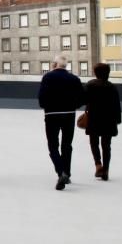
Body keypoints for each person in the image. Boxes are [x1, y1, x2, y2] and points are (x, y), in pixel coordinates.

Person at [38, 55, 85, 190]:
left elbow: (41, 97)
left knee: (53, 145)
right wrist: (73, 106)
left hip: (51, 115)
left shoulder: (48, 77)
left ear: (54, 65)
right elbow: (82, 98)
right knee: (67, 145)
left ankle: (61, 172)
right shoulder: (74, 79)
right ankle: (67, 173)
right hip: (69, 115)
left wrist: (47, 106)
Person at [84, 63, 122, 181]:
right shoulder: (112, 87)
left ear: (96, 73)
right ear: (108, 73)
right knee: (106, 146)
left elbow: (84, 99)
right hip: (109, 120)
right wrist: (118, 120)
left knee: (94, 143)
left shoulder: (90, 85)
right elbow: (117, 105)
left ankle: (98, 165)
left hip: (94, 118)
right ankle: (106, 170)